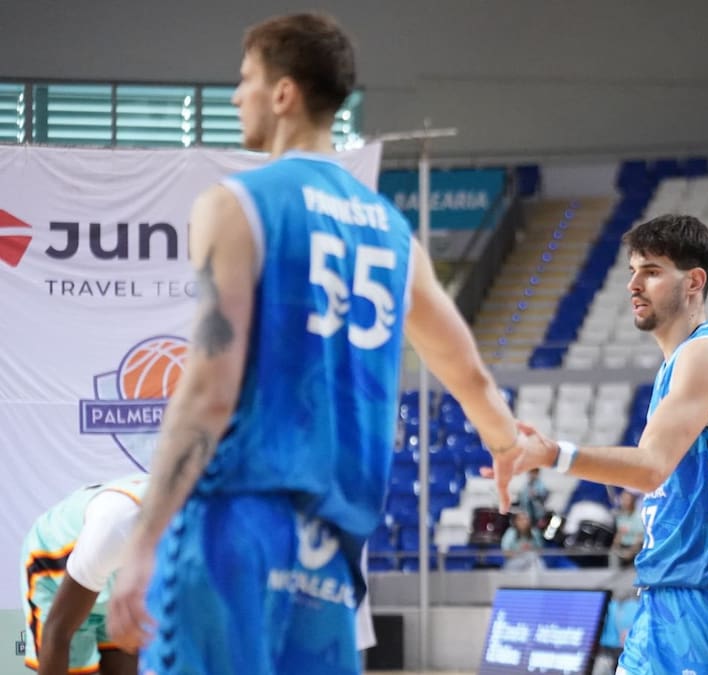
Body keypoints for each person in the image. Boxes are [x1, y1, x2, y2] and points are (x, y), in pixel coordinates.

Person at [105, 13, 529, 673]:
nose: (235, 96)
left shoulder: (236, 203)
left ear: (282, 93)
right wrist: (505, 444)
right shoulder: (393, 233)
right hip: (328, 554)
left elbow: (210, 391)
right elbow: (467, 372)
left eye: (245, 79)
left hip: (234, 527)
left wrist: (143, 542)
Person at [505, 214, 708, 673]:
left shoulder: (706, 354)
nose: (633, 285)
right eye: (632, 271)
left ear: (694, 281)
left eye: (652, 271)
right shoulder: (680, 363)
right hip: (667, 596)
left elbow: (650, 468)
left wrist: (554, 454)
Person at [20, 474, 147, 675]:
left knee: (124, 661)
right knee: (69, 658)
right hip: (55, 567)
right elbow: (59, 631)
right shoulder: (117, 522)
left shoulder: (191, 520)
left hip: (117, 568)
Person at [611, 490, 645, 567]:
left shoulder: (638, 517)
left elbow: (640, 537)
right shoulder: (620, 516)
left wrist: (631, 552)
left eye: (627, 500)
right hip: (623, 549)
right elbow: (619, 534)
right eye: (623, 499)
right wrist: (615, 548)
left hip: (636, 550)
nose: (624, 502)